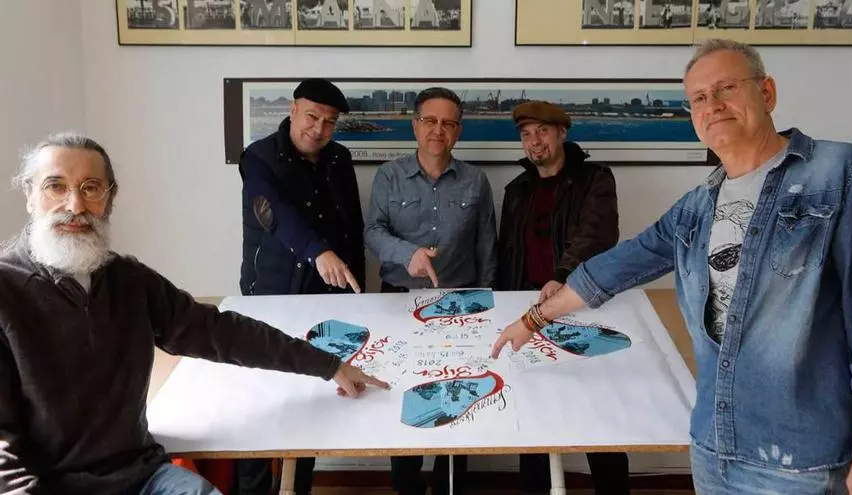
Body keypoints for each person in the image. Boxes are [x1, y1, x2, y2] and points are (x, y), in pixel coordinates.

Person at [492, 38, 852, 495]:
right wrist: (533, 319)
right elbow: (616, 266)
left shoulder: (840, 173)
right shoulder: (695, 209)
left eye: (726, 88)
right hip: (713, 449)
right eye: (698, 98)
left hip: (801, 460)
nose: (712, 105)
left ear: (767, 92)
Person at [0, 133, 390, 495]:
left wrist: (328, 365)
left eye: (91, 187)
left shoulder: (128, 279)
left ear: (110, 197)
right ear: (30, 194)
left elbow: (220, 332)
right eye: (56, 186)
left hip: (141, 475)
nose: (75, 205)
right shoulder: (6, 290)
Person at [364, 87, 497, 495]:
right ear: (415, 125)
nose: (438, 130)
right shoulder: (388, 176)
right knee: (402, 393)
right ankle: (406, 485)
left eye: (448, 123)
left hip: (460, 304)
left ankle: (448, 485)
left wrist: (488, 306)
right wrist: (408, 254)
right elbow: (373, 232)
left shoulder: (476, 181)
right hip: (398, 300)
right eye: (430, 121)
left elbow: (486, 246)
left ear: (458, 131)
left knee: (456, 394)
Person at [496, 100, 629, 495]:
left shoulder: (595, 179)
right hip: (529, 314)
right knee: (533, 416)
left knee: (598, 416)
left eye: (543, 131)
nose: (534, 141)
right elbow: (507, 252)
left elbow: (597, 234)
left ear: (562, 133)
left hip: (582, 307)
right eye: (526, 134)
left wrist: (561, 277)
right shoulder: (516, 190)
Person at [238, 78, 364, 494]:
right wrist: (318, 251)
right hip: (270, 294)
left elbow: (351, 225)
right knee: (260, 399)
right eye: (312, 116)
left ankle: (300, 487)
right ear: (293, 110)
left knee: (314, 388)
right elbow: (270, 211)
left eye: (329, 122)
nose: (319, 129)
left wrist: (359, 289)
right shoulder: (258, 157)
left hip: (326, 295)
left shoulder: (339, 158)